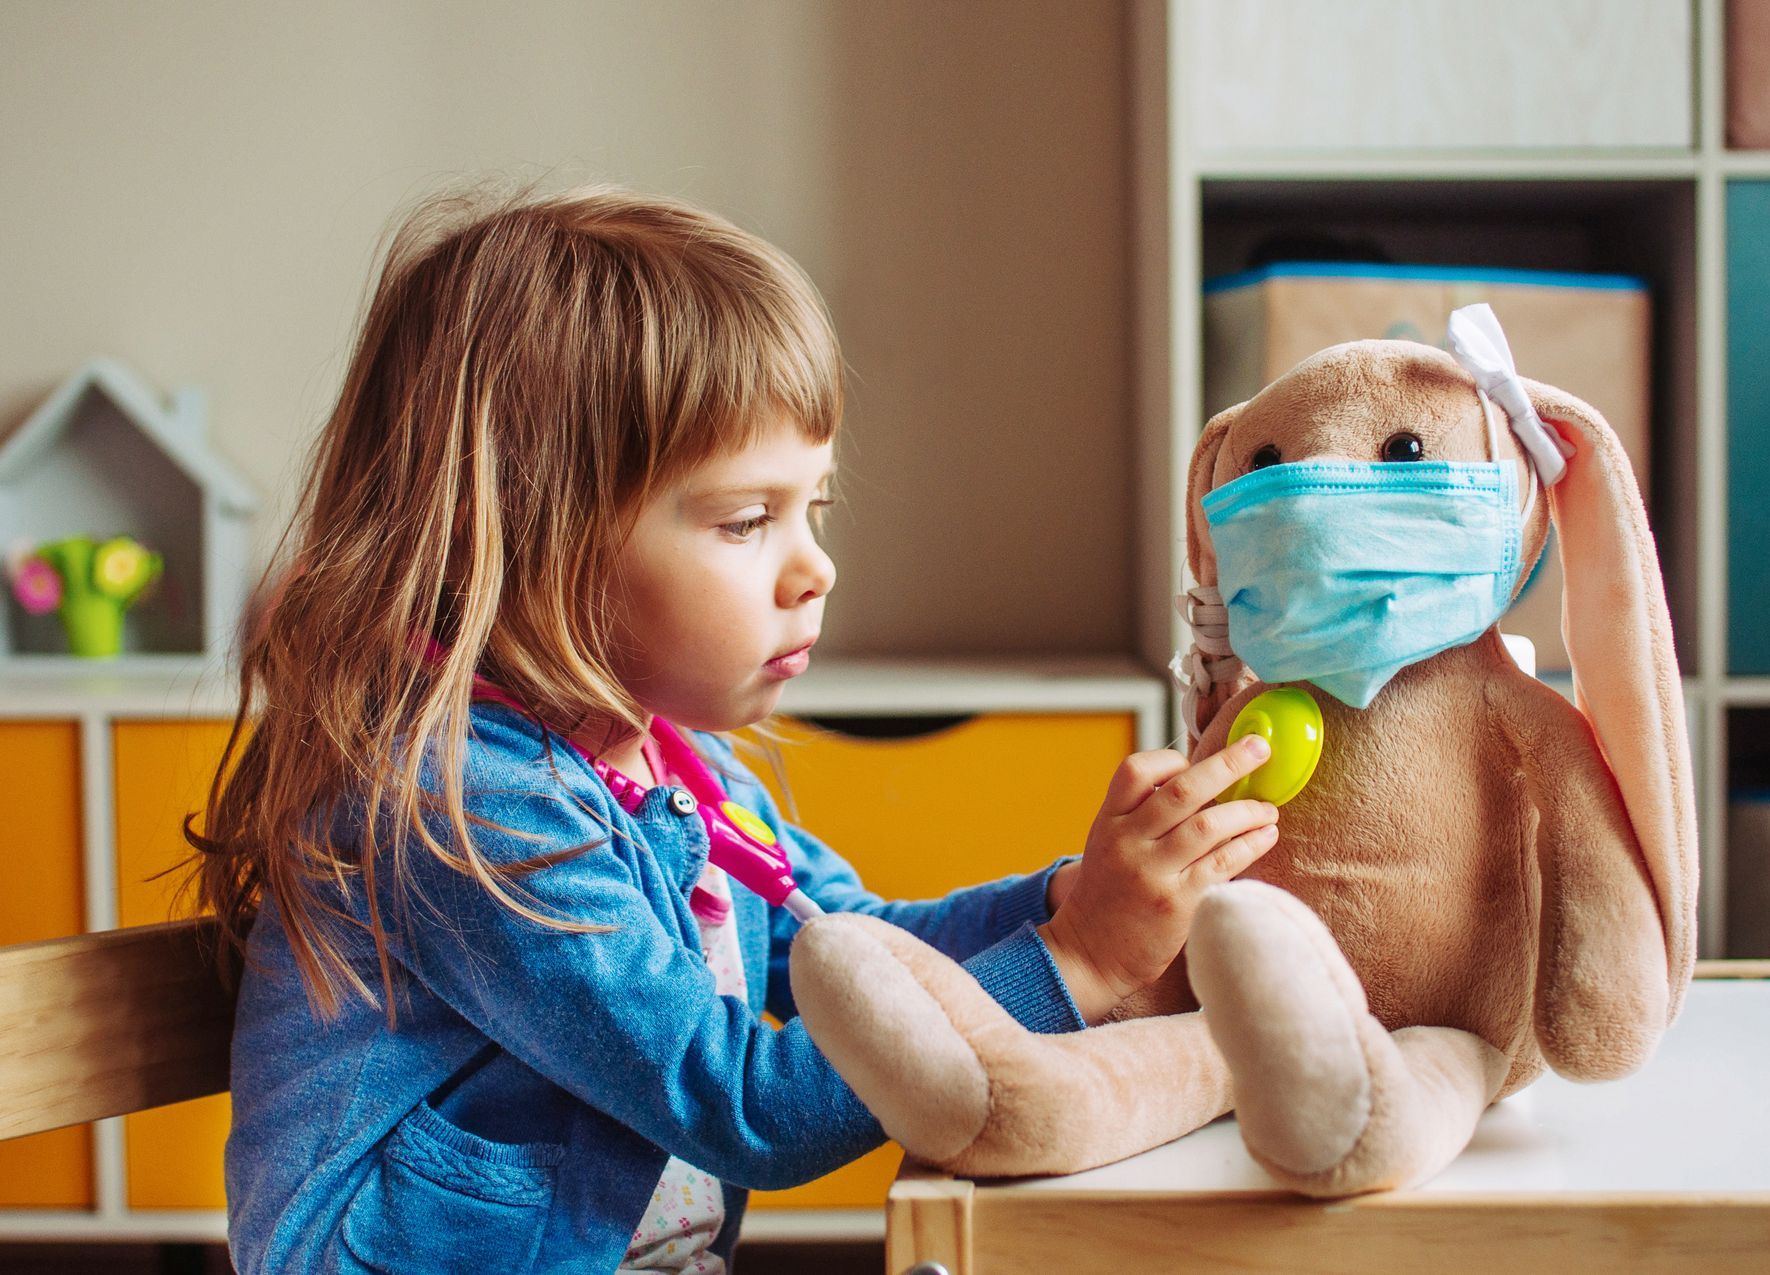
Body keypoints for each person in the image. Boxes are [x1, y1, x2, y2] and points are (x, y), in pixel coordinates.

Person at [188, 185, 1280, 1273]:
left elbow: (863, 950)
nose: (817, 569)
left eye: (816, 508)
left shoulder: (671, 769)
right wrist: (1076, 958)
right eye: (749, 520)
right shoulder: (462, 806)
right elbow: (739, 1108)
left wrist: (1077, 897)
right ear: (528, 536)